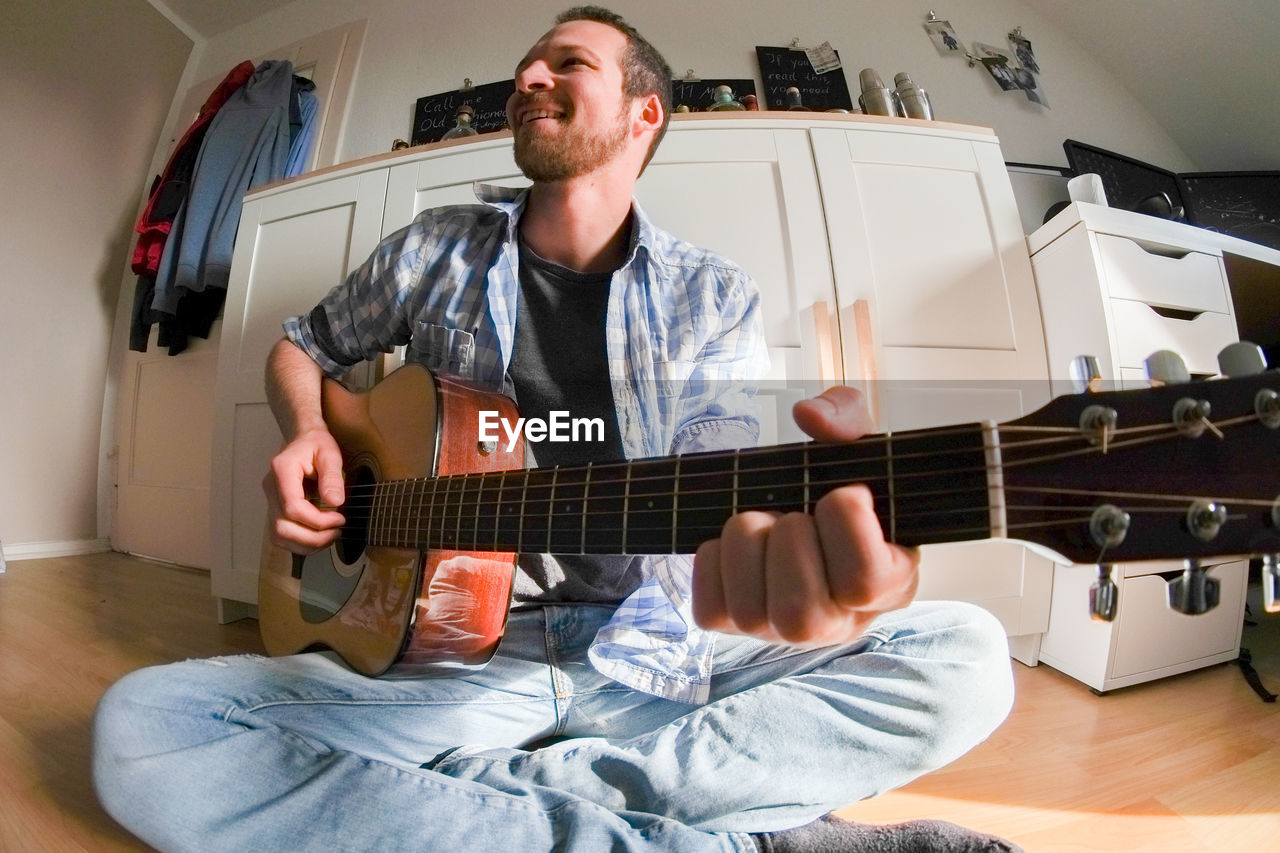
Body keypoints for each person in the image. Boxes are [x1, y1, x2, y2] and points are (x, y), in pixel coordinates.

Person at [93, 8, 1018, 852]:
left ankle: (487, 797)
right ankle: (729, 832)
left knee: (964, 656)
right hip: (447, 658)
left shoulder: (713, 295)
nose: (530, 77)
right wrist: (309, 434)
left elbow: (716, 483)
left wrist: (790, 557)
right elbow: (300, 347)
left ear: (644, 113)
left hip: (648, 648)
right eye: (527, 66)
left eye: (567, 63)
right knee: (146, 726)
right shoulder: (435, 246)